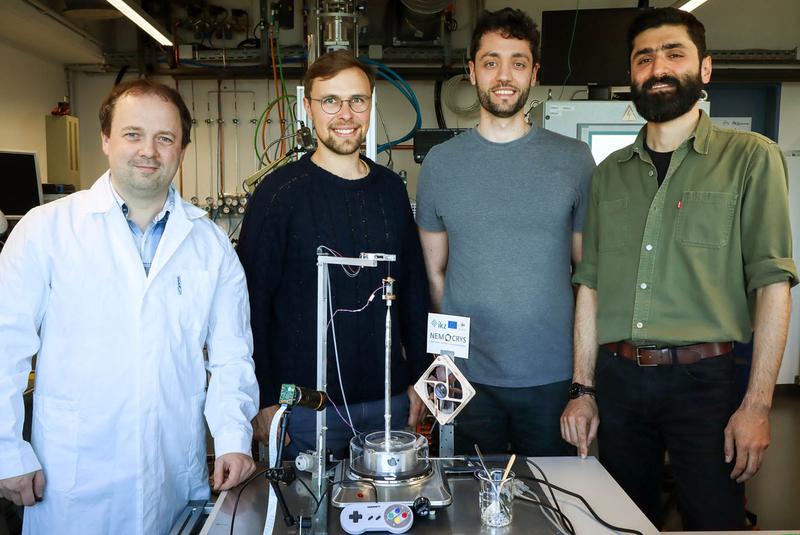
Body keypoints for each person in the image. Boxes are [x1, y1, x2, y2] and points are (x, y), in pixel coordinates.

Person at [560, 8, 797, 530]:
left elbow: (773, 286)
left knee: (714, 521)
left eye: (674, 53)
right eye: (644, 57)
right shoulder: (609, 175)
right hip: (619, 381)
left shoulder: (751, 158)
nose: (658, 66)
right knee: (622, 519)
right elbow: (590, 285)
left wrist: (757, 405)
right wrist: (583, 390)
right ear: (632, 75)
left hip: (706, 383)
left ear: (705, 69)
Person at [0, 79, 259, 535]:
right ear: (105, 140)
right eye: (133, 134)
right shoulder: (46, 231)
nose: (149, 151)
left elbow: (231, 356)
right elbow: (6, 347)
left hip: (172, 473)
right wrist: (6, 450)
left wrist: (234, 441)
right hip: (75, 476)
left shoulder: (211, 245)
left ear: (182, 150)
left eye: (165, 138)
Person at [415, 7, 595, 456]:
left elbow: (586, 274)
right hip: (465, 379)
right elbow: (435, 275)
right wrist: (443, 367)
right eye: (491, 61)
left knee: (553, 503)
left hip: (552, 377)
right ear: (472, 70)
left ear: (534, 73)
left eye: (517, 62)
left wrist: (582, 384)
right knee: (466, 507)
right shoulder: (441, 163)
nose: (504, 75)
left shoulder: (574, 160)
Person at [237, 51, 430, 459]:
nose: (346, 113)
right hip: (304, 411)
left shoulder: (391, 191)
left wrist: (419, 378)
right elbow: (250, 305)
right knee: (307, 519)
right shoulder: (278, 194)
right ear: (307, 107)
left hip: (388, 405)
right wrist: (264, 398)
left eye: (357, 100)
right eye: (330, 101)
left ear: (370, 104)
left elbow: (413, 291)